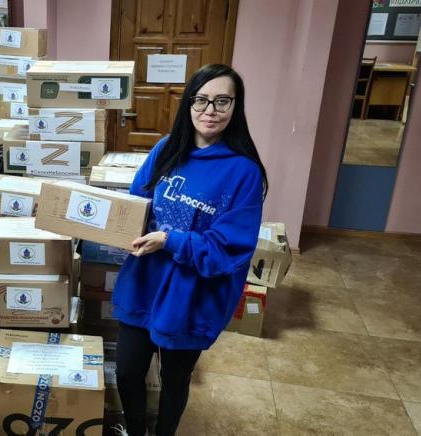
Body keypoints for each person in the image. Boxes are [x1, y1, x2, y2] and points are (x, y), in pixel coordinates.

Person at [112, 64, 268, 436]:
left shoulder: (244, 172)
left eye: (222, 101)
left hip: (191, 295)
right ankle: (135, 431)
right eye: (201, 100)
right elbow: (136, 202)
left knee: (175, 379)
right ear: (189, 103)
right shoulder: (167, 148)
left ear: (235, 106)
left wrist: (170, 240)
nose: (210, 110)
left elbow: (228, 248)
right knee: (127, 371)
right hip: (144, 282)